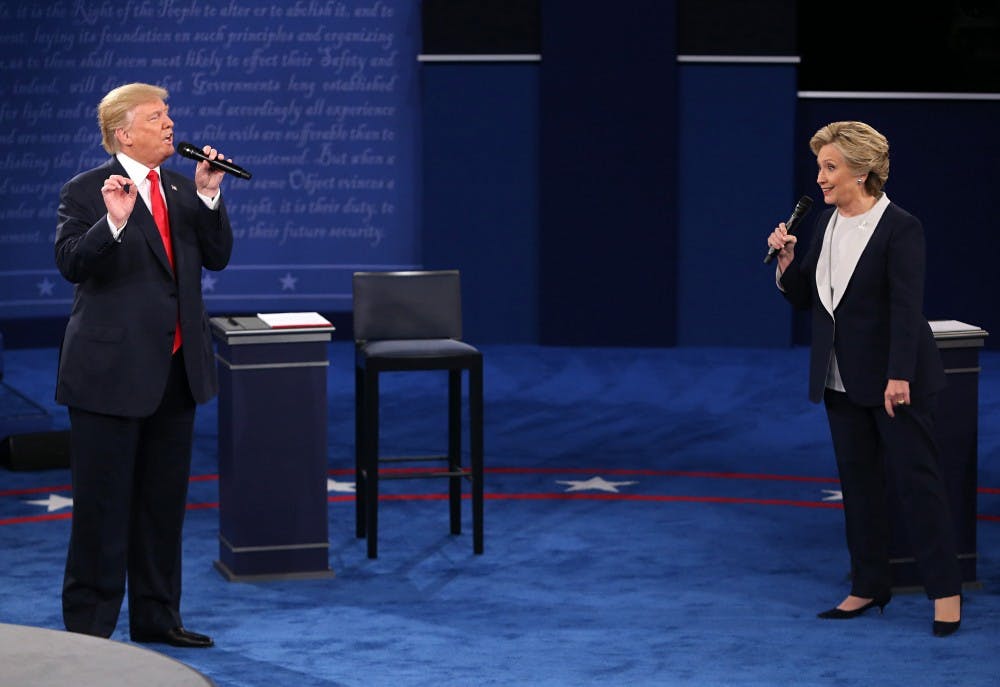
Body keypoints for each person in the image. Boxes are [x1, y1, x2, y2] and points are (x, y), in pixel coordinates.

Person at [54, 82, 234, 648]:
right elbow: (71, 265)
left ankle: (157, 618)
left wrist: (209, 196)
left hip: (176, 373)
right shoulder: (87, 191)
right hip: (109, 376)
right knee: (102, 511)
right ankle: (90, 631)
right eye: (157, 116)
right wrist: (110, 224)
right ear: (123, 133)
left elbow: (218, 256)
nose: (170, 123)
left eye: (169, 114)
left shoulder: (183, 186)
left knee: (162, 509)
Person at [766, 121, 962, 637]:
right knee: (859, 487)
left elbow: (906, 307)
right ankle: (868, 585)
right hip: (839, 380)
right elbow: (811, 296)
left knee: (919, 485)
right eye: (820, 167)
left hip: (895, 383)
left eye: (830, 167)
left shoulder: (900, 226)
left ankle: (946, 592)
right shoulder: (828, 223)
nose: (821, 178)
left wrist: (899, 375)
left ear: (863, 170)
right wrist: (786, 265)